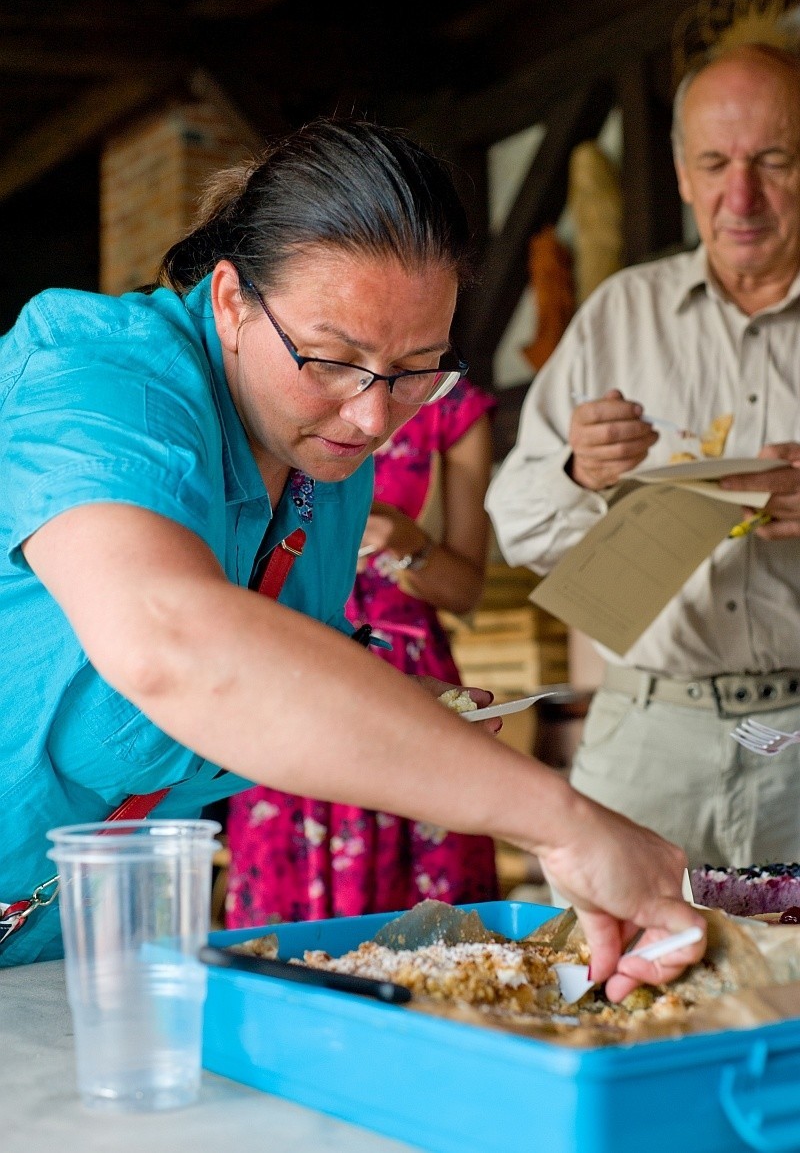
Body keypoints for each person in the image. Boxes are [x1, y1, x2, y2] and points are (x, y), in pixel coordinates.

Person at [0, 116, 702, 997]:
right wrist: (561, 822)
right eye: (333, 359)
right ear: (229, 300)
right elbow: (170, 640)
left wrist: (407, 710)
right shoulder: (97, 379)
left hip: (71, 943)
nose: (374, 420)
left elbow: (267, 674)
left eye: (417, 369)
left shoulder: (318, 463)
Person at [486, 44, 800, 878]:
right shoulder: (621, 314)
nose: (743, 197)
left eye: (772, 160)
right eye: (715, 163)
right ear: (681, 174)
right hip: (650, 735)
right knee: (610, 988)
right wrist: (580, 475)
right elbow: (514, 523)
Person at [225, 379, 499, 925]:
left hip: (408, 667)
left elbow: (464, 590)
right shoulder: (272, 383)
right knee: (288, 925)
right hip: (291, 663)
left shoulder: (452, 408)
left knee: (434, 921)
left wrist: (405, 537)